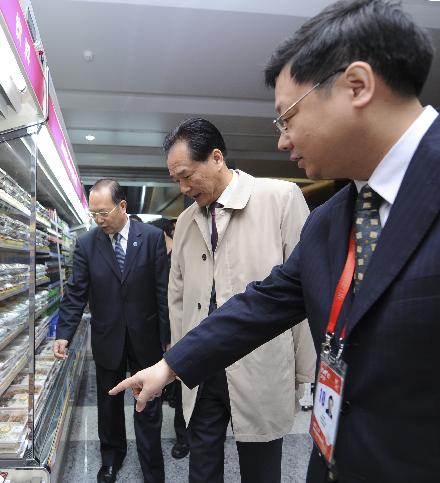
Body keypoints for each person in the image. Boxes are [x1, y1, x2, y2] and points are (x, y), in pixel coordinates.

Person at [110, 1, 440, 481]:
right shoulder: (332, 220)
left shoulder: (288, 201)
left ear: (358, 86)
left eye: (287, 117)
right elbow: (262, 305)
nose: (282, 141)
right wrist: (170, 366)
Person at [161, 117, 315, 483]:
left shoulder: (281, 198)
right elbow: (178, 296)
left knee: (261, 469)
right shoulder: (184, 222)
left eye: (187, 175)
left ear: (216, 157)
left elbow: (306, 288)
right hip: (201, 367)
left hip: (259, 361)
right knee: (202, 469)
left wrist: (306, 371)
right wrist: (180, 359)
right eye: (176, 180)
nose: (183, 187)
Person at [55, 179, 170, 483]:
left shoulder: (152, 238)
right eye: (94, 214)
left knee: (147, 403)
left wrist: (167, 338)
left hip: (145, 337)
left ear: (122, 206)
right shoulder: (86, 244)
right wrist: (64, 332)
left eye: (103, 213)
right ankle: (111, 458)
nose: (99, 220)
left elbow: (162, 291)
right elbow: (76, 292)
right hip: (107, 337)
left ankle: (152, 468)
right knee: (108, 404)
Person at [148, 217, 190, 459]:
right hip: (168, 327)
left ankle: (186, 436)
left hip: (189, 325)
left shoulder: (180, 253)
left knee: (188, 384)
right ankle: (182, 436)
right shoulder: (159, 256)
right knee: (180, 385)